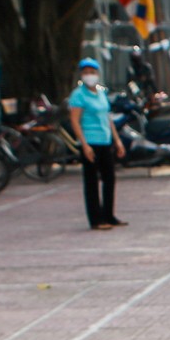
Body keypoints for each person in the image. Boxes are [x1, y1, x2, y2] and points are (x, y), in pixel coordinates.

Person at [68, 57, 125, 231]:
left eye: (92, 72)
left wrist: (117, 140)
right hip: (90, 142)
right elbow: (75, 121)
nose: (89, 76)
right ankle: (96, 219)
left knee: (109, 178)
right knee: (92, 181)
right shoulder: (78, 95)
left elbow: (108, 119)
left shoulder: (101, 93)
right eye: (85, 73)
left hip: (105, 140)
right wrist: (84, 145)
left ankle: (109, 215)